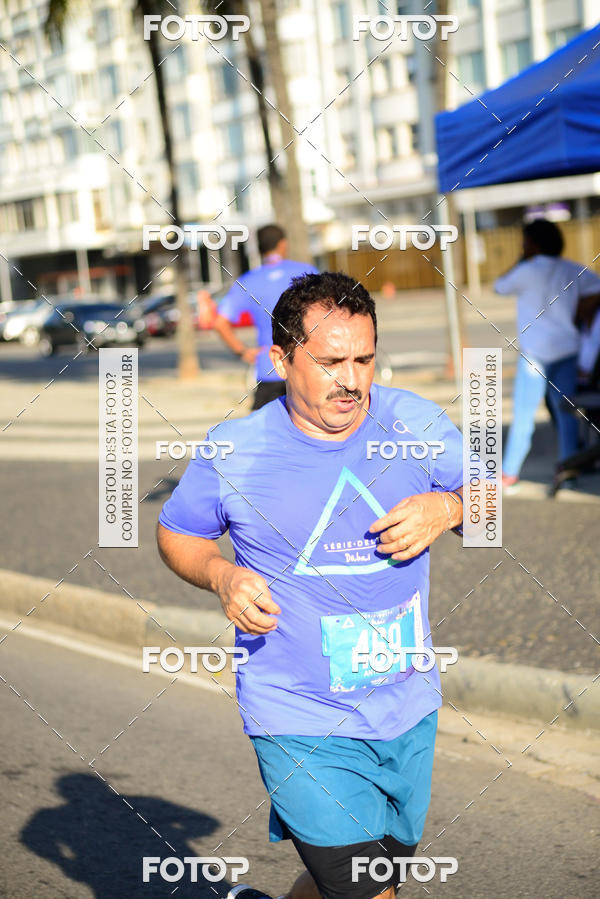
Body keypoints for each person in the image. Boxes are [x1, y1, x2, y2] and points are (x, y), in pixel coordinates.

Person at [157, 272, 464, 899]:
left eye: (364, 359)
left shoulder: (416, 423)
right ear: (280, 359)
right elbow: (177, 533)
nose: (351, 380)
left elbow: (491, 498)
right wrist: (221, 574)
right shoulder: (236, 449)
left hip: (405, 707)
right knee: (364, 891)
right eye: (329, 362)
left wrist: (449, 509)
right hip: (296, 711)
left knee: (360, 880)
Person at [494, 218, 600, 488]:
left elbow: (499, 286)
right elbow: (596, 287)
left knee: (524, 415)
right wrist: (581, 312)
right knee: (567, 415)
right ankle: (569, 469)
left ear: (532, 244)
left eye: (524, 242)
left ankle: (510, 471)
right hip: (566, 351)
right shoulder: (573, 270)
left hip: (534, 355)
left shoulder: (526, 270)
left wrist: (521, 260)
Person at [213, 223, 318, 410]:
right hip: (306, 368)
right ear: (283, 244)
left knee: (266, 434)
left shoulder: (247, 282)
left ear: (260, 249)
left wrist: (242, 351)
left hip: (268, 369)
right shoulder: (306, 273)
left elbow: (220, 322)